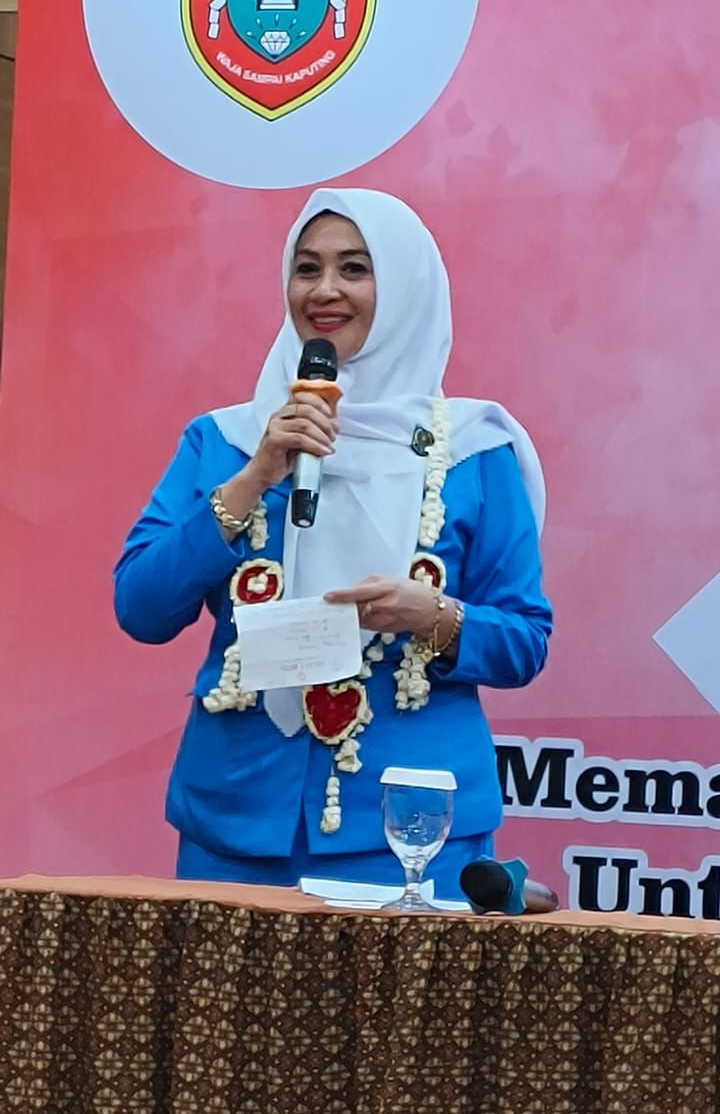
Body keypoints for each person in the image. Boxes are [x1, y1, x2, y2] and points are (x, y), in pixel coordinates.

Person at [113, 188, 552, 897]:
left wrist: (432, 615)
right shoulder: (226, 441)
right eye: (306, 268)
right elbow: (140, 607)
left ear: (405, 287)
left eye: (354, 269)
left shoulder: (473, 451)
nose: (324, 290)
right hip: (236, 820)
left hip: (411, 827)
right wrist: (254, 478)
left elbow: (524, 640)